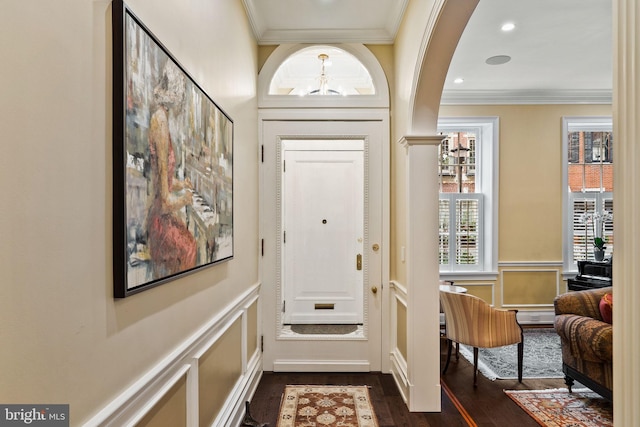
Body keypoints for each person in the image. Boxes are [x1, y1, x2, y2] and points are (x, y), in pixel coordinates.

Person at [146, 61, 196, 279]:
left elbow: (163, 179)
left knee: (190, 242)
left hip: (160, 217)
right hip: (160, 222)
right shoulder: (161, 122)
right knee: (190, 247)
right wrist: (185, 199)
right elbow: (166, 202)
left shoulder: (160, 117)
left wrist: (181, 184)